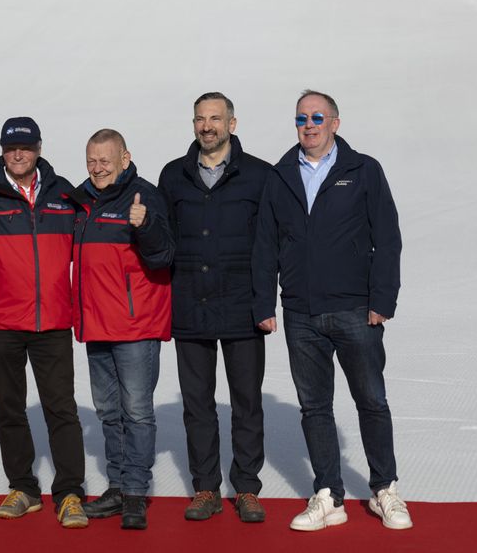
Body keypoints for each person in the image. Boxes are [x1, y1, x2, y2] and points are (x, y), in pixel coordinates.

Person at [253, 90, 411, 533]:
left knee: (372, 402)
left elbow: (388, 238)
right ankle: (329, 495)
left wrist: (382, 300)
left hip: (356, 310)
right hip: (302, 312)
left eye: (318, 117)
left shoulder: (363, 170)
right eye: (301, 118)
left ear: (335, 123)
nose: (309, 124)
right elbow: (265, 244)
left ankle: (385, 489)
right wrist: (264, 303)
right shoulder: (280, 175)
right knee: (314, 406)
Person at [0, 117, 89, 529]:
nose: (18, 154)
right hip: (0, 320)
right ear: (3, 151)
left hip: (53, 320)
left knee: (61, 409)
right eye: (11, 148)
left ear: (39, 148)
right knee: (10, 408)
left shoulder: (65, 194)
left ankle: (70, 493)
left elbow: (90, 244)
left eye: (25, 147)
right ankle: (24, 487)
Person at [158, 92, 273, 524]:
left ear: (232, 123)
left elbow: (270, 245)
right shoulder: (173, 176)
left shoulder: (260, 175)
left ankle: (246, 487)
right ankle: (205, 486)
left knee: (246, 402)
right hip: (190, 307)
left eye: (215, 118)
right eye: (200, 119)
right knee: (198, 404)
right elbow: (162, 241)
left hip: (244, 308)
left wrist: (266, 302)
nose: (207, 126)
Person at [70, 129, 174, 531]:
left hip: (136, 325)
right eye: (91, 161)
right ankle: (116, 485)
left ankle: (134, 492)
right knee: (108, 412)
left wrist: (144, 224)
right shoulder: (80, 200)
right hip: (96, 324)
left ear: (125, 158)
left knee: (138, 412)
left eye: (105, 161)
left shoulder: (144, 196)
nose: (97, 169)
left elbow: (165, 255)